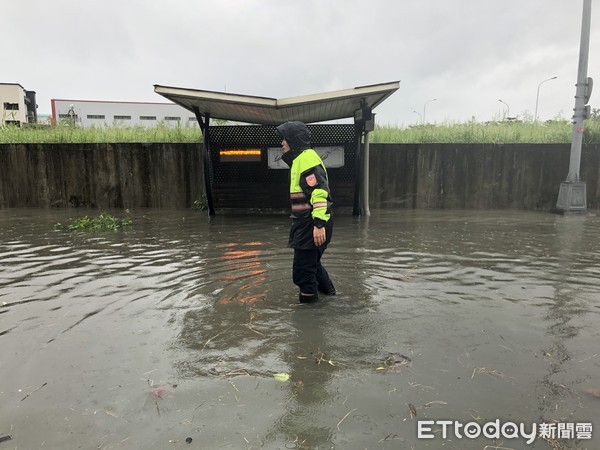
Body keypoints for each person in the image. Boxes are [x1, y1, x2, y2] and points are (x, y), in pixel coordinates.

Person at [276, 121, 336, 303]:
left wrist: (318, 224)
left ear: (293, 140)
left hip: (312, 223)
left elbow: (319, 192)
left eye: (284, 139)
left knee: (303, 271)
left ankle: (308, 318)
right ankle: (331, 295)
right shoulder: (301, 159)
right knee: (312, 265)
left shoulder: (306, 159)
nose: (282, 143)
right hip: (309, 222)